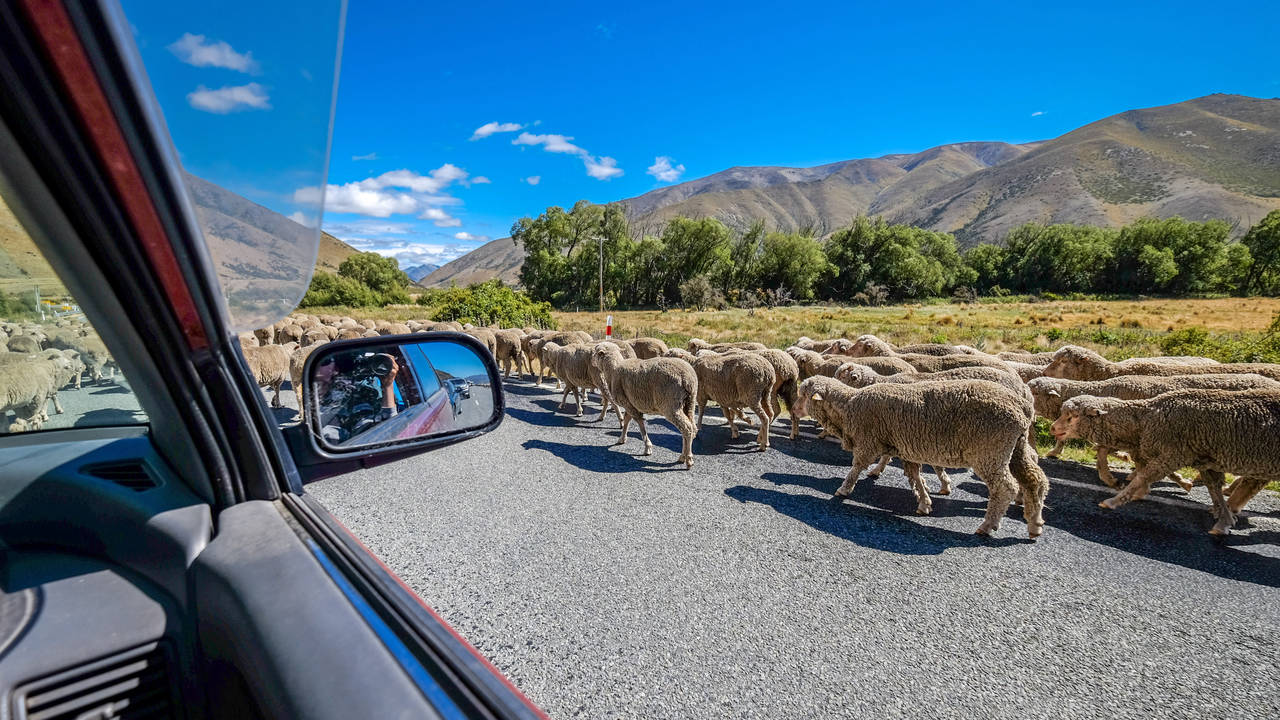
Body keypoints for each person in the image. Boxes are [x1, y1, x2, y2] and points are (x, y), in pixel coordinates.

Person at [313, 350, 401, 445]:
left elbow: (385, 434)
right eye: (325, 362)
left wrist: (388, 386)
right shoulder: (320, 403)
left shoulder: (367, 400)